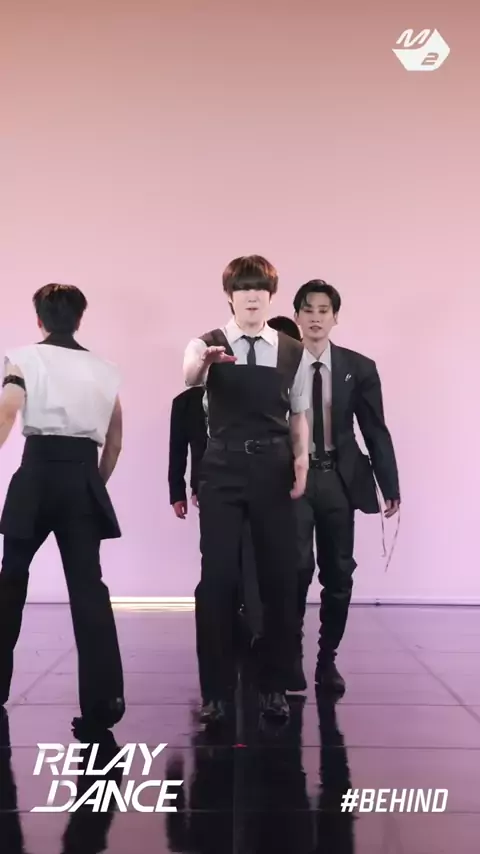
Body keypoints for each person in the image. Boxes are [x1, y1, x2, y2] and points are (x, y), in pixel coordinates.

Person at [183, 257, 310, 723]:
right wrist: (205, 363)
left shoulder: (292, 349)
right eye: (243, 289)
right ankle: (216, 692)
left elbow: (299, 413)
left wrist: (301, 463)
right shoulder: (207, 342)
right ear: (230, 295)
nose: (252, 296)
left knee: (279, 577)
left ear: (271, 296)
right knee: (216, 579)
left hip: (273, 466)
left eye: (260, 289)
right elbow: (189, 377)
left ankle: (273, 686)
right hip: (222, 466)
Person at [0, 283, 125, 730]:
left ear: (39, 319)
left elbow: (8, 411)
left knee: (10, 580)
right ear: (79, 319)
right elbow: (114, 442)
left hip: (36, 476)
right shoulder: (104, 370)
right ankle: (104, 703)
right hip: (82, 476)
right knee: (89, 590)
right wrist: (91, 484)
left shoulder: (22, 359)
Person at [291, 279, 400, 693]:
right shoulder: (282, 364)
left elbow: (374, 428)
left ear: (335, 317)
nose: (315, 318)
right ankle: (291, 654)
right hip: (294, 480)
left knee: (338, 572)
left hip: (338, 478)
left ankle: (327, 659)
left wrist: (389, 483)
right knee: (296, 568)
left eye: (323, 310)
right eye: (308, 310)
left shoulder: (359, 367)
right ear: (297, 316)